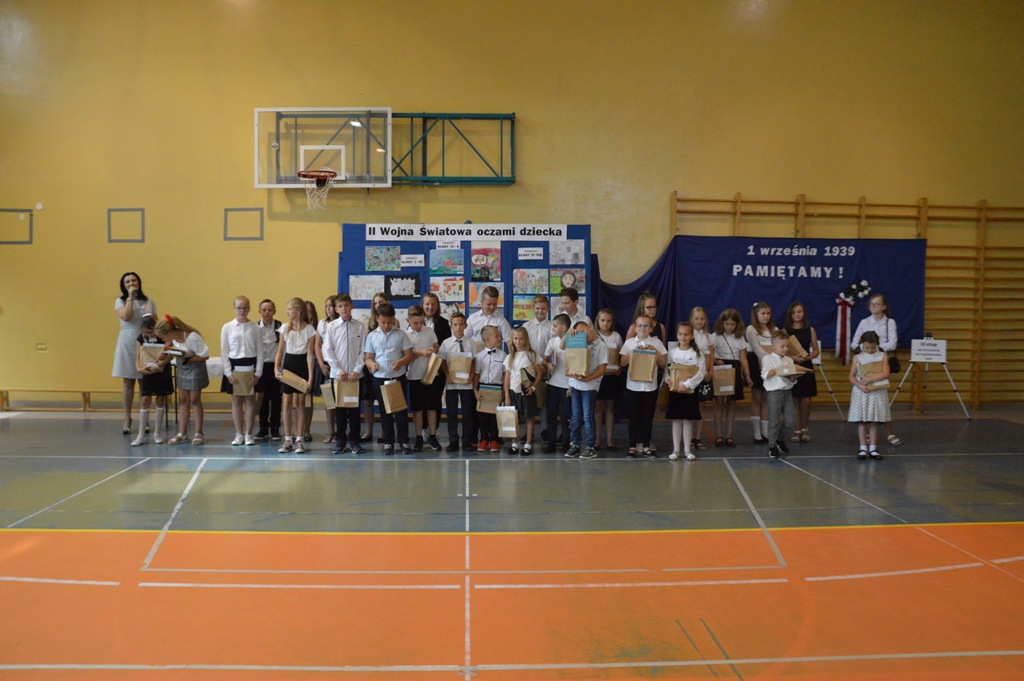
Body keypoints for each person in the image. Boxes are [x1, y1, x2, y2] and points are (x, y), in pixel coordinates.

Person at [851, 294, 902, 446]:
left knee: (882, 398)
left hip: (881, 362)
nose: (873, 306)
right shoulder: (864, 322)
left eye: (877, 304)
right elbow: (854, 343)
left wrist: (876, 350)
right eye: (871, 304)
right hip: (865, 363)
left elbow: (892, 343)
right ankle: (867, 433)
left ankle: (890, 433)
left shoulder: (889, 322)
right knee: (866, 396)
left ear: (884, 307)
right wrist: (867, 349)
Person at [364, 302, 414, 455]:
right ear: (377, 319)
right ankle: (388, 442)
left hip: (397, 377)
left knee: (400, 411)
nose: (386, 325)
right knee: (384, 411)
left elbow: (409, 355)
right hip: (380, 378)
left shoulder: (401, 334)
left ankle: (404, 441)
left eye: (389, 322)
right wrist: (371, 364)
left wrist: (401, 362)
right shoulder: (372, 336)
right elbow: (368, 357)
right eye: (383, 322)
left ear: (394, 319)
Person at [321, 293, 365, 455]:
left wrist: (356, 370)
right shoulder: (332, 327)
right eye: (340, 306)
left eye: (346, 305)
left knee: (354, 410)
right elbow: (328, 349)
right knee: (339, 409)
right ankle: (340, 440)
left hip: (354, 376)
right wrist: (338, 369)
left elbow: (363, 350)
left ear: (352, 306)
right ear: (336, 309)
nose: (344, 309)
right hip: (338, 376)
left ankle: (354, 440)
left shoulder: (360, 326)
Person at [154, 314, 208, 446]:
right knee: (183, 400)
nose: (162, 339)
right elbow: (160, 357)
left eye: (163, 337)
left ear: (169, 333)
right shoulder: (171, 340)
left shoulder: (192, 337)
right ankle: (182, 433)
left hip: (195, 366)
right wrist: (166, 348)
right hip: (182, 367)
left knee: (194, 400)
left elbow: (204, 356)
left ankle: (198, 432)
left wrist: (187, 359)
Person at [113, 272, 157, 434]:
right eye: (128, 282)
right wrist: (130, 298)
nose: (131, 283)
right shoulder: (120, 301)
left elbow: (155, 321)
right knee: (128, 381)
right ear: (123, 285)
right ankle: (127, 418)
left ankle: (144, 418)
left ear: (139, 282)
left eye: (134, 280)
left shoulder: (148, 301)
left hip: (145, 341)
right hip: (127, 339)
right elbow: (126, 316)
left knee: (144, 381)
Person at [619, 314, 668, 458]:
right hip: (633, 386)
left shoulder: (656, 342)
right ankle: (632, 446)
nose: (643, 328)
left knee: (647, 417)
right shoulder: (629, 343)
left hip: (650, 386)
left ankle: (646, 445)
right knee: (634, 417)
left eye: (646, 326)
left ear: (651, 329)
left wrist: (654, 350)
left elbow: (663, 363)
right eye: (640, 326)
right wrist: (633, 351)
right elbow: (622, 363)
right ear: (635, 328)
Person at [221, 296, 264, 447]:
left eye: (245, 307)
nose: (242, 310)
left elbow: (260, 352)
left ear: (249, 308)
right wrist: (228, 373)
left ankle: (249, 434)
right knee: (236, 401)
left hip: (251, 364)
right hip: (234, 365)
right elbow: (224, 351)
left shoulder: (255, 328)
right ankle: (239, 434)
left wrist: (258, 372)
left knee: (250, 401)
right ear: (234, 309)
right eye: (239, 308)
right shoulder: (227, 327)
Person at [274, 298, 316, 453]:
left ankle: (299, 438)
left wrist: (310, 377)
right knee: (286, 402)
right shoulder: (285, 328)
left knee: (300, 403)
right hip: (289, 365)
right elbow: (280, 351)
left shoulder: (309, 329)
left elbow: (309, 355)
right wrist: (276, 368)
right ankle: (287, 438)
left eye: (290, 309)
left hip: (302, 365)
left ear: (298, 310)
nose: (287, 312)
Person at [563, 321, 607, 460]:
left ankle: (590, 447)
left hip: (590, 385)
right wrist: (568, 335)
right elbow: (561, 346)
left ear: (590, 328)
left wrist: (587, 379)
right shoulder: (576, 341)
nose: (582, 335)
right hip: (575, 384)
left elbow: (602, 369)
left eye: (584, 332)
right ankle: (575, 444)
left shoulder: (601, 345)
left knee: (587, 416)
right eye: (579, 333)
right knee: (575, 416)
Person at [710, 308, 752, 447]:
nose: (729, 327)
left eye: (732, 324)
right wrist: (716, 361)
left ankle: (729, 435)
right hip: (720, 369)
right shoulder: (715, 336)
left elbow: (743, 358)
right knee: (719, 403)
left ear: (737, 324)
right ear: (721, 323)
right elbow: (710, 355)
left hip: (735, 368)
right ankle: (719, 435)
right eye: (727, 324)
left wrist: (747, 375)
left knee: (732, 404)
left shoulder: (740, 338)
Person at [665, 321, 706, 461]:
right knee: (676, 420)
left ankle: (687, 450)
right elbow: (667, 371)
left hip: (689, 391)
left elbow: (701, 372)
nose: (683, 337)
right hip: (675, 392)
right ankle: (676, 450)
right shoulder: (672, 353)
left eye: (686, 334)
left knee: (688, 420)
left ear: (692, 336)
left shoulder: (697, 353)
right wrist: (668, 381)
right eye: (680, 334)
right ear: (677, 335)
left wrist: (688, 384)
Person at [130, 315, 173, 446]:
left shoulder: (163, 337)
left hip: (161, 371)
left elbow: (170, 356)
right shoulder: (141, 338)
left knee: (160, 399)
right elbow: (138, 356)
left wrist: (158, 366)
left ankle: (157, 434)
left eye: (150, 332)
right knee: (145, 400)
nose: (148, 335)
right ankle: (140, 435)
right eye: (145, 333)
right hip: (147, 371)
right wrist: (138, 368)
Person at [848, 330, 891, 460]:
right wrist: (859, 385)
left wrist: (869, 380)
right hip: (862, 392)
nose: (870, 350)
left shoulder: (883, 355)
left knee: (873, 421)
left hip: (877, 391)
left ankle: (873, 448)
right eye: (867, 347)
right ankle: (862, 447)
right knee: (862, 421)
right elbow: (851, 376)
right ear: (862, 344)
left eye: (873, 347)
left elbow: (886, 373)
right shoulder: (858, 357)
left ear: (877, 344)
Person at [361, 292, 396, 443]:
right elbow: (364, 347)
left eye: (381, 302)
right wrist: (370, 363)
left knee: (387, 401)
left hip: (386, 368)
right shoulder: (367, 323)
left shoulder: (394, 323)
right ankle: (368, 431)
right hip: (370, 367)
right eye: (375, 303)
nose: (378, 305)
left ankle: (384, 431)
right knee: (368, 401)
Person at [404, 305, 440, 452]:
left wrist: (433, 349)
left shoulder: (429, 331)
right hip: (414, 376)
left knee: (432, 407)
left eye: (421, 322)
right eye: (415, 323)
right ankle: (419, 437)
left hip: (431, 374)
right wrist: (419, 353)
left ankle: (432, 436)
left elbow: (436, 345)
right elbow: (406, 357)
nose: (419, 326)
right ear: (408, 320)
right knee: (417, 409)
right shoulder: (405, 335)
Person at [438, 311, 476, 452]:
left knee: (467, 413)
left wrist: (472, 375)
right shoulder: (446, 343)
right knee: (452, 413)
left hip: (467, 384)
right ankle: (453, 440)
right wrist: (447, 375)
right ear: (451, 326)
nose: (458, 327)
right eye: (455, 324)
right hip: (451, 384)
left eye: (461, 324)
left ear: (466, 325)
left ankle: (467, 441)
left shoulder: (471, 343)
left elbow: (474, 361)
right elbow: (442, 361)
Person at [783, 301, 818, 443]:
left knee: (806, 402)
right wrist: (793, 357)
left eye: (799, 311)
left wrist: (808, 358)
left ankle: (805, 429)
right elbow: (782, 349)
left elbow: (816, 350)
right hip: (792, 366)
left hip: (806, 365)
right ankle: (796, 430)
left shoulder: (810, 330)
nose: (797, 314)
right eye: (794, 312)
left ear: (803, 313)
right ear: (790, 314)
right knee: (795, 401)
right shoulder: (785, 330)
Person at [504, 326, 543, 455]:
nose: (518, 341)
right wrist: (507, 395)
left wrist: (533, 387)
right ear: (512, 339)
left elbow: (539, 373)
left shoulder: (531, 355)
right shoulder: (510, 357)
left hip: (527, 391)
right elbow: (507, 377)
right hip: (513, 391)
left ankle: (528, 443)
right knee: (513, 418)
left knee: (529, 417)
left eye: (521, 339)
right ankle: (514, 443)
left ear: (526, 339)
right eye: (515, 338)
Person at [761, 329, 798, 460]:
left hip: (787, 392)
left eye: (787, 346)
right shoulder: (767, 359)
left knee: (790, 421)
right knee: (774, 420)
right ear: (773, 346)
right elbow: (765, 375)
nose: (785, 349)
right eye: (782, 346)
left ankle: (780, 439)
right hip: (774, 393)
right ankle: (772, 446)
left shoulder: (789, 360)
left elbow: (792, 380)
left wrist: (794, 377)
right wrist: (779, 369)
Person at [522, 294, 553, 444]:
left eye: (543, 308)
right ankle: (530, 431)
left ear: (548, 309)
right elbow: (523, 348)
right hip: (529, 369)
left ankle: (544, 429)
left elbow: (553, 348)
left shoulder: (552, 326)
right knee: (530, 400)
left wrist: (547, 366)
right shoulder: (526, 326)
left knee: (545, 400)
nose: (540, 311)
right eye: (538, 308)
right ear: (533, 308)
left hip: (547, 369)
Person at [420, 292, 450, 447]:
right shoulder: (416, 321)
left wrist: (437, 350)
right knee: (422, 400)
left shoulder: (443, 323)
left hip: (437, 368)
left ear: (437, 306)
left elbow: (446, 346)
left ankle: (434, 429)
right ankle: (423, 429)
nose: (430, 307)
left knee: (435, 400)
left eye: (433, 304)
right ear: (422, 305)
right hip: (419, 367)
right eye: (427, 304)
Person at [592, 307, 622, 451]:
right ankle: (597, 439)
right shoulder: (593, 335)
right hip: (598, 376)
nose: (605, 324)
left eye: (608, 321)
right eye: (603, 320)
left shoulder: (616, 336)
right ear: (598, 321)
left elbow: (621, 354)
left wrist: (620, 366)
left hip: (612, 377)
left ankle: (610, 439)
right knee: (598, 408)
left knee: (610, 407)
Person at [745, 301, 775, 443]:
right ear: (756, 315)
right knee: (757, 398)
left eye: (768, 313)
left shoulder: (774, 329)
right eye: (763, 313)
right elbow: (756, 348)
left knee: (766, 399)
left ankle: (765, 431)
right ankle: (756, 432)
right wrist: (771, 359)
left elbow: (779, 344)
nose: (766, 316)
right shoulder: (751, 329)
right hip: (756, 364)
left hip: (770, 365)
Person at [474, 326, 506, 453]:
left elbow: (505, 375)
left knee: (495, 416)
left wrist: (504, 391)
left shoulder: (503, 355)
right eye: (496, 336)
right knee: (483, 416)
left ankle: (494, 440)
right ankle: (484, 439)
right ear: (487, 339)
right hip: (483, 388)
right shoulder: (479, 356)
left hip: (497, 388)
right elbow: (477, 374)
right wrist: (475, 390)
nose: (499, 338)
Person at [254, 299, 282, 442]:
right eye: (264, 310)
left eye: (270, 310)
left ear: (274, 311)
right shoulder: (254, 328)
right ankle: (263, 427)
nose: (267, 313)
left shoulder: (280, 327)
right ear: (259, 311)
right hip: (260, 367)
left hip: (275, 367)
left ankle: (275, 427)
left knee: (276, 399)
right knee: (262, 399)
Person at [543, 314, 572, 454]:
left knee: (566, 415)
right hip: (553, 383)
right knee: (551, 414)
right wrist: (548, 365)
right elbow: (544, 359)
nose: (552, 328)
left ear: (564, 328)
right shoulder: (552, 341)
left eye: (555, 326)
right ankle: (551, 443)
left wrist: (572, 385)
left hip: (567, 384)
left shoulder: (573, 341)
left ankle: (566, 442)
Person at [689, 306, 715, 451]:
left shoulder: (709, 337)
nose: (699, 321)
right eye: (697, 318)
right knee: (690, 407)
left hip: (704, 375)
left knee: (701, 407)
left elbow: (711, 356)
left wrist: (710, 371)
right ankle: (689, 438)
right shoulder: (688, 334)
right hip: (691, 375)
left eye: (702, 318)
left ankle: (698, 438)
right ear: (692, 320)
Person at [314, 295, 339, 444]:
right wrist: (321, 364)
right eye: (326, 306)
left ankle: (341, 432)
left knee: (341, 400)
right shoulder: (322, 324)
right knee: (329, 401)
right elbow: (318, 345)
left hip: (339, 365)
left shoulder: (341, 323)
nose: (328, 309)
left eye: (330, 306)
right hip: (326, 365)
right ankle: (331, 431)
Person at [466, 285, 512, 350]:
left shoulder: (501, 320)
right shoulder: (472, 319)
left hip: (495, 355)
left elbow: (509, 341)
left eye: (494, 304)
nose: (492, 307)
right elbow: (465, 339)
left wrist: (512, 355)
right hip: (476, 354)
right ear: (482, 302)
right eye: (489, 304)